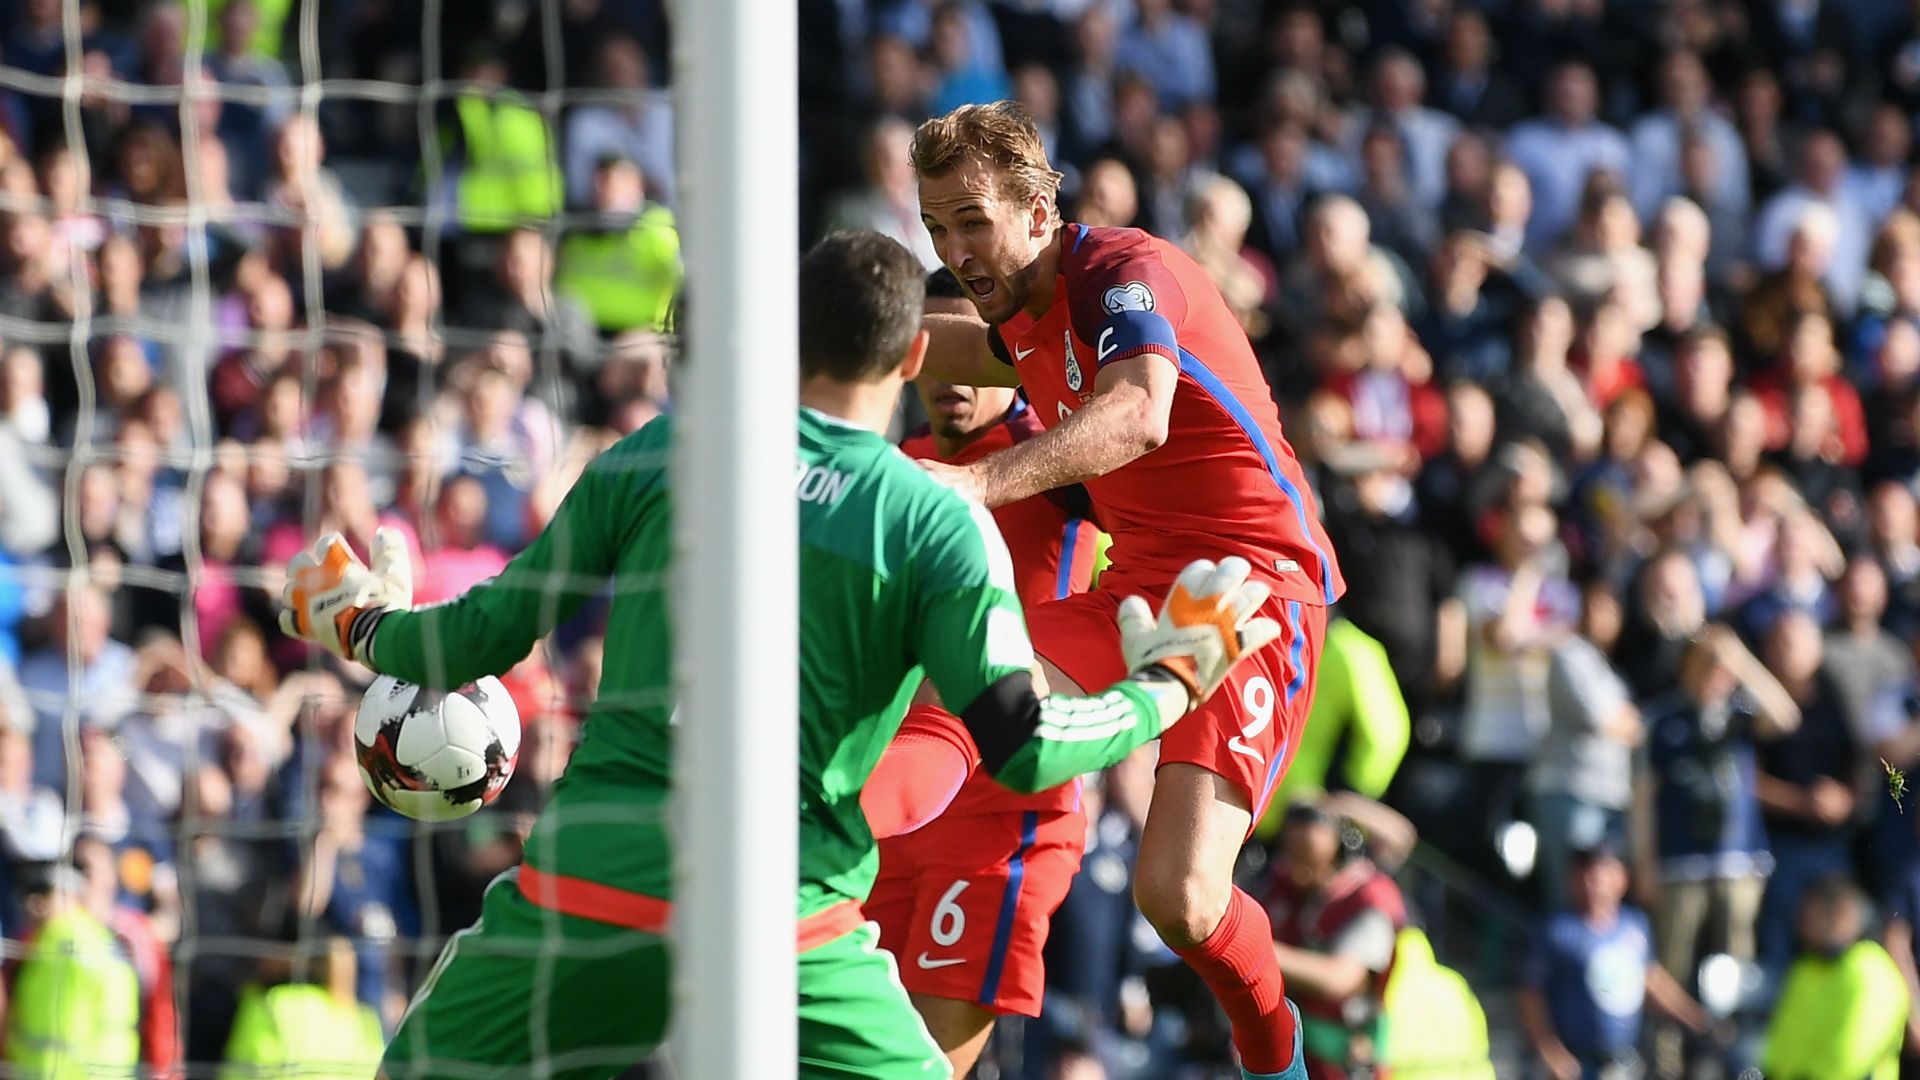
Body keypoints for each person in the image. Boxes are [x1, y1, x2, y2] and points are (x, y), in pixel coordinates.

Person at [279, 230, 1280, 1079]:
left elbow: (475, 638)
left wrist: (359, 623)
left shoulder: (656, 454)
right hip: (787, 924)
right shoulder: (930, 515)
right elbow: (1022, 747)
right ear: (913, 362)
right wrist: (1166, 684)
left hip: (587, 893)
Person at [911, 101, 1345, 1080]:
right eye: (938, 227)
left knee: (1180, 899)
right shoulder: (1015, 317)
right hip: (1137, 587)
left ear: (1037, 208)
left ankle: (1275, 1054)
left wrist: (978, 482)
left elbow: (1139, 417)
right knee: (957, 690)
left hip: (1252, 589)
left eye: (973, 220)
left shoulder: (1121, 272)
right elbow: (928, 342)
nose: (957, 247)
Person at [860, 267, 1102, 1075]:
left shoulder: (1060, 464)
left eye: (972, 355)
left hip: (1007, 811)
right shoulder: (894, 465)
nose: (950, 377)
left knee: (921, 1068)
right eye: (931, 352)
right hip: (893, 802)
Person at [1518, 842, 1712, 1080]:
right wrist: (1551, 1052)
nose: (1594, 882)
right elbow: (1531, 997)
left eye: (1602, 873)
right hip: (1576, 1063)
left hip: (1622, 1062)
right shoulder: (1558, 932)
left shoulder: (1634, 927)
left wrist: (1696, 1020)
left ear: (1621, 878)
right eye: (1585, 873)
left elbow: (1651, 981)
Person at [1261, 801, 1406, 1079]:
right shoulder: (1286, 887)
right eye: (1292, 856)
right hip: (1291, 1054)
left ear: (1341, 851)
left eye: (1309, 860)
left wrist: (1254, 950)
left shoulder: (1368, 899)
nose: (1297, 870)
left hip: (1342, 1059)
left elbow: (1340, 979)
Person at [1764, 877, 1909, 1080]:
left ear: (1843, 917)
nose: (1804, 927)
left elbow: (1852, 1054)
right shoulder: (1805, 968)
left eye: (1813, 918)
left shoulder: (1871, 972)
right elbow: (1780, 1041)